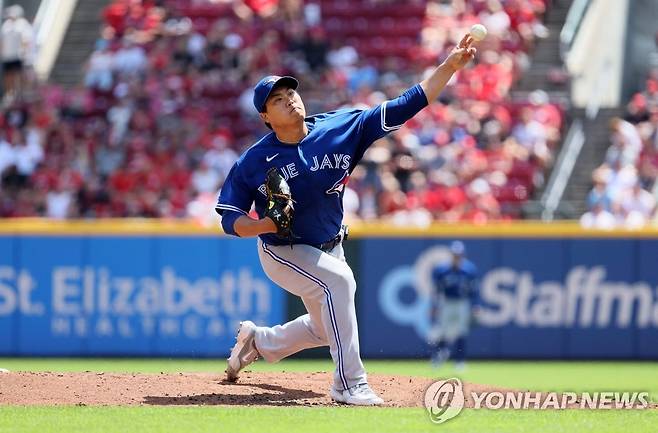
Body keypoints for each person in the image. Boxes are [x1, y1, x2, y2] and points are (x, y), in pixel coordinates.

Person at [216, 35, 477, 406]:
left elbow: (406, 104)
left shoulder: (342, 127)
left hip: (329, 245)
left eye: (290, 92)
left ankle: (259, 341)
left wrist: (449, 67)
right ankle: (349, 384)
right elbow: (230, 218)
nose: (289, 99)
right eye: (277, 99)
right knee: (340, 281)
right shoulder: (253, 161)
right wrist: (261, 226)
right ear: (265, 117)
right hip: (283, 250)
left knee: (326, 326)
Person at [429, 241, 479, 370]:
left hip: (462, 302)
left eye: (459, 255)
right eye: (455, 254)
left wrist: (475, 305)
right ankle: (439, 355)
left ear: (463, 255)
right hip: (447, 302)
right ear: (451, 255)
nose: (457, 257)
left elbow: (474, 289)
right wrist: (434, 305)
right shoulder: (442, 270)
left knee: (461, 331)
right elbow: (436, 290)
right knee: (443, 331)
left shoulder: (469, 269)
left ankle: (460, 361)